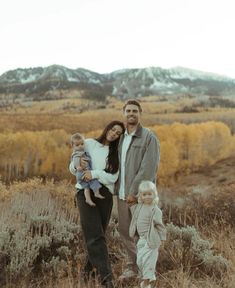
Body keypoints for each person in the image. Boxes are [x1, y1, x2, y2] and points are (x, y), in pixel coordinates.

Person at [69, 120, 125, 288]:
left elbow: (113, 177)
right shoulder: (90, 143)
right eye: (113, 129)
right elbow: (72, 166)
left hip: (105, 195)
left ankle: (86, 275)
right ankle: (107, 278)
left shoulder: (116, 153)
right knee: (94, 234)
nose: (114, 133)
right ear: (107, 127)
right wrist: (78, 166)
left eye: (118, 133)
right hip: (85, 192)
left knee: (98, 235)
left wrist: (93, 173)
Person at [115, 99, 160, 280]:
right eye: (128, 111)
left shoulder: (149, 137)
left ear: (140, 113)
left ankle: (147, 270)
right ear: (123, 113)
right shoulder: (121, 138)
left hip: (139, 197)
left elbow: (148, 169)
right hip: (121, 195)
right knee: (125, 232)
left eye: (135, 111)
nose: (131, 114)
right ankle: (132, 266)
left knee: (144, 233)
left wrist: (134, 193)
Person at [129, 181, 166, 288]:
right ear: (140, 196)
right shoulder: (139, 207)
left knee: (148, 262)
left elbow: (160, 226)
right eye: (144, 194)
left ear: (154, 194)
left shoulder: (155, 209)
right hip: (141, 239)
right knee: (140, 260)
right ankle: (147, 281)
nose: (147, 197)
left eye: (150, 194)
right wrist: (131, 203)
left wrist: (162, 239)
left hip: (151, 240)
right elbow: (135, 215)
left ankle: (146, 283)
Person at [71, 132, 104, 207]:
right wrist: (77, 166)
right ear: (72, 146)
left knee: (90, 184)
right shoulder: (77, 153)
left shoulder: (84, 152)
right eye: (77, 145)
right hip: (81, 173)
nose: (80, 146)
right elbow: (75, 160)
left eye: (82, 144)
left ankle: (95, 194)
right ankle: (90, 198)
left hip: (86, 172)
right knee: (88, 186)